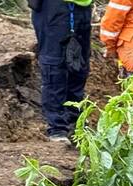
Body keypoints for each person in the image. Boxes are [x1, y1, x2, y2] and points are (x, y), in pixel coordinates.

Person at [30, 0, 92, 143]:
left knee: (79, 65)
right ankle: (57, 128)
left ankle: (76, 122)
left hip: (82, 7)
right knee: (55, 65)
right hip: (54, 8)